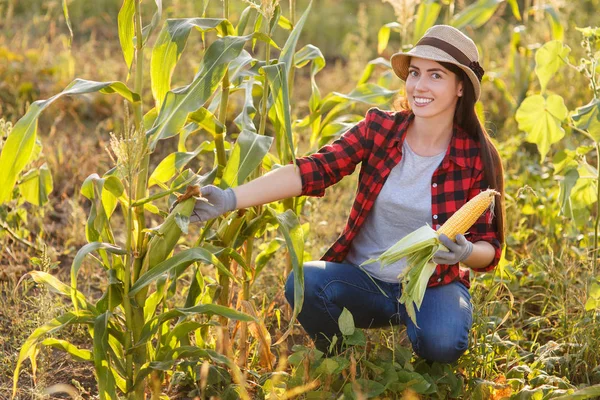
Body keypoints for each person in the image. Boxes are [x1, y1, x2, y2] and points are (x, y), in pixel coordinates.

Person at [188, 25, 505, 364]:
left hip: (435, 286)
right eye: (415, 73)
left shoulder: (476, 156)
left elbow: (490, 248)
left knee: (442, 344)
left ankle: (424, 340)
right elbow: (310, 171)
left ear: (460, 87)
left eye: (436, 75)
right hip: (367, 281)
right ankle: (345, 360)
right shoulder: (379, 129)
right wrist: (229, 198)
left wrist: (466, 251)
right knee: (305, 284)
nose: (419, 86)